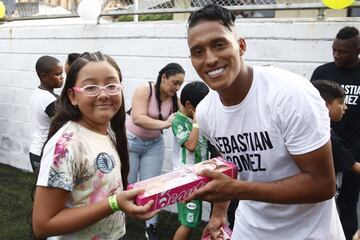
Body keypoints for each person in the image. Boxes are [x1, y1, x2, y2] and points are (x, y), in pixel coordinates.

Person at [185, 4, 344, 240]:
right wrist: (219, 212)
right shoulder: (207, 111)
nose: (209, 59)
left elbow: (322, 185)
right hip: (251, 229)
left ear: (241, 46)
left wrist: (239, 190)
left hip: (309, 233)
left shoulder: (290, 94)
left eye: (219, 45)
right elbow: (230, 167)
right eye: (198, 52)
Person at [32, 52, 156, 239]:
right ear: (73, 96)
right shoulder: (66, 146)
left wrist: (126, 202)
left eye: (111, 85)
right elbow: (43, 224)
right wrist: (114, 204)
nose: (104, 94)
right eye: (91, 87)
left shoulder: (109, 132)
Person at [310, 26, 360, 240]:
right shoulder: (322, 73)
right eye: (334, 50)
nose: (337, 55)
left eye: (343, 51)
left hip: (353, 152)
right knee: (320, 206)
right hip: (324, 149)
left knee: (348, 205)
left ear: (357, 50)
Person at [125, 62, 185, 240]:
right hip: (130, 143)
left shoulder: (175, 99)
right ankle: (117, 221)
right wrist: (167, 123)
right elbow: (138, 118)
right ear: (164, 77)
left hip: (154, 145)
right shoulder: (145, 89)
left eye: (180, 84)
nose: (177, 87)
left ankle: (150, 227)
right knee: (125, 184)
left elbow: (186, 113)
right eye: (175, 82)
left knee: (152, 187)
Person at [171, 81, 209, 240]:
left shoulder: (199, 118)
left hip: (198, 175)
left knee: (193, 219)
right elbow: (191, 146)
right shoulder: (178, 121)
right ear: (189, 105)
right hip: (185, 178)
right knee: (189, 221)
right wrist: (196, 122)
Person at [312, 80, 360, 197]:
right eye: (341, 102)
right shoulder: (325, 134)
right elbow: (355, 167)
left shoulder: (312, 128)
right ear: (324, 104)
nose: (345, 107)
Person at [29, 55, 64, 175]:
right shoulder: (50, 100)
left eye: (62, 73)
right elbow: (67, 124)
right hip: (43, 152)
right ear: (44, 76)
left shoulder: (37, 92)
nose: (62, 77)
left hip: (36, 150)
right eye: (58, 74)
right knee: (46, 192)